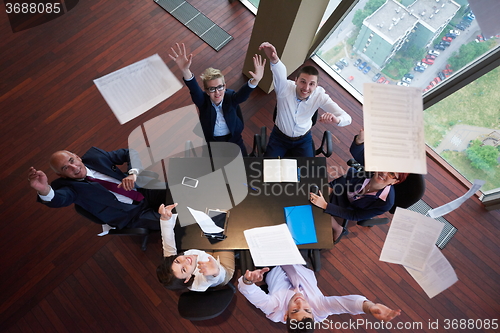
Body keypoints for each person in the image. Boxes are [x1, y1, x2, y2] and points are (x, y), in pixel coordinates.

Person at [29, 147, 167, 230]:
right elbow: (59, 199)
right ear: (61, 175)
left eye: (72, 161)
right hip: (131, 215)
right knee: (172, 220)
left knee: (179, 192)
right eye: (66, 168)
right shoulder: (70, 188)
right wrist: (44, 189)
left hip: (142, 191)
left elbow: (129, 152)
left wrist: (133, 173)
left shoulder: (96, 157)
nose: (74, 168)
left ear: (77, 157)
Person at [309, 129, 408, 243]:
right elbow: (357, 153)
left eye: (392, 174)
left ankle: (338, 228)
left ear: (394, 182)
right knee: (312, 194)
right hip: (344, 188)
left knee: (316, 207)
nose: (384, 173)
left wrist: (325, 206)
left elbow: (355, 215)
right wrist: (360, 139)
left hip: (352, 206)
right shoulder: (373, 169)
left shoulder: (385, 203)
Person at [169, 42, 266, 156]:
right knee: (215, 170)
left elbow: (242, 95)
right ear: (206, 90)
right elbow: (194, 90)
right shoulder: (203, 101)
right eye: (212, 89)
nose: (217, 92)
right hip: (212, 144)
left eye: (220, 87)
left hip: (234, 140)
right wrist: (185, 71)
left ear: (224, 86)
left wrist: (255, 81)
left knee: (243, 167)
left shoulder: (230, 97)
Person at [238, 264, 401, 332]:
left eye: (295, 310)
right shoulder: (319, 309)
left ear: (286, 315)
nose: (301, 302)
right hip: (297, 263)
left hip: (274, 267)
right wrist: (369, 307)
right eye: (307, 309)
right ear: (312, 314)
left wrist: (248, 280)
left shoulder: (273, 308)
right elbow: (344, 304)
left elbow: (252, 294)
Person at [258, 42, 352, 157]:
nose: (306, 88)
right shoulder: (284, 88)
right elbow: (280, 73)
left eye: (311, 84)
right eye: (303, 81)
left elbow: (347, 118)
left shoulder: (320, 96)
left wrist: (337, 119)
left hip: (303, 140)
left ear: (317, 86)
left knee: (308, 172)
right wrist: (274, 59)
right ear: (296, 80)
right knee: (269, 170)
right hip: (279, 138)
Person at [156, 203, 235, 291]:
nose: (185, 261)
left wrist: (165, 219)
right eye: (184, 269)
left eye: (178, 261)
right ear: (187, 279)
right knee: (230, 236)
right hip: (222, 269)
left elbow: (168, 240)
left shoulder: (172, 262)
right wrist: (215, 272)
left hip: (204, 253)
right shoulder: (199, 283)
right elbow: (214, 279)